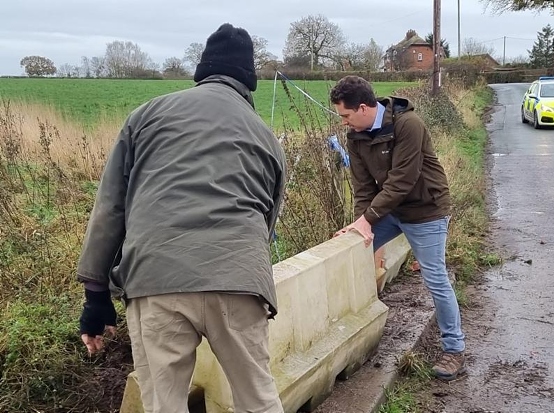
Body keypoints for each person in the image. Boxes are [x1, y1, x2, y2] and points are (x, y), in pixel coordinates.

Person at [75, 23, 286, 413]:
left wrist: (96, 295)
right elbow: (267, 221)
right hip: (239, 279)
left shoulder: (146, 116)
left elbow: (110, 208)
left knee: (164, 405)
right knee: (258, 399)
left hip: (156, 277)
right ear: (249, 81)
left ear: (201, 71)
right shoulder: (265, 135)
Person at [330, 76, 466, 381]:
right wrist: (361, 226)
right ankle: (360, 330)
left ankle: (454, 350)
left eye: (346, 116)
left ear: (363, 108)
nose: (344, 123)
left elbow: (403, 180)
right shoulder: (357, 136)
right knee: (353, 246)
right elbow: (363, 188)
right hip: (391, 210)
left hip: (426, 210)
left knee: (435, 278)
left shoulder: (409, 125)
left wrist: (369, 219)